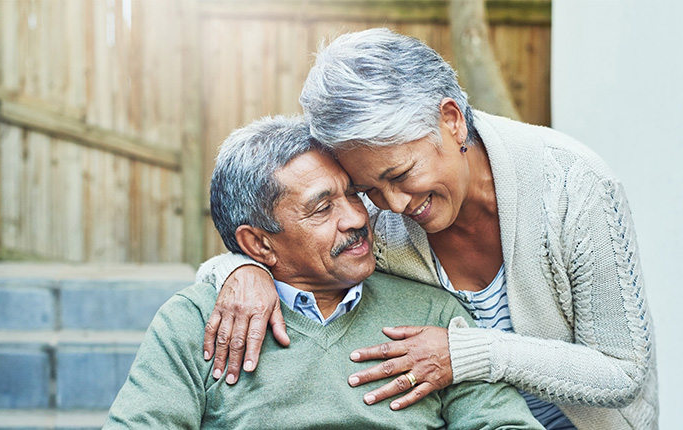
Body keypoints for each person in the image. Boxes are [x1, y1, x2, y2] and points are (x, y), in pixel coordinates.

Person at [199, 28, 658, 430]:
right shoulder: (371, 215)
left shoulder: (574, 189)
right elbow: (288, 244)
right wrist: (244, 270)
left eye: (400, 175)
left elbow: (622, 371)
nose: (392, 205)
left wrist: (467, 353)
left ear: (452, 120)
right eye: (367, 187)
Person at [104, 116, 543, 430]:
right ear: (258, 244)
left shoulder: (431, 310)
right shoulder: (196, 322)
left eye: (353, 194)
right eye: (322, 208)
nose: (357, 217)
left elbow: (502, 422)